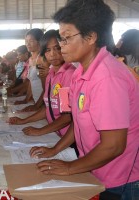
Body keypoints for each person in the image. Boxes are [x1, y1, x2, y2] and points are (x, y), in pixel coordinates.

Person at [30, 1, 139, 199]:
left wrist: (70, 167)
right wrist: (55, 149)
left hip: (120, 179)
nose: (61, 46)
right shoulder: (81, 71)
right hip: (96, 169)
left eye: (66, 38)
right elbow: (78, 122)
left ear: (90, 37)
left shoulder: (107, 78)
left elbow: (114, 145)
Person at [9, 30, 76, 138]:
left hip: (64, 136)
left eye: (57, 48)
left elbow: (67, 116)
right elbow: (48, 108)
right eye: (48, 50)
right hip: (55, 132)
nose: (52, 54)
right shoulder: (51, 74)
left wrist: (40, 131)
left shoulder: (67, 74)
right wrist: (23, 121)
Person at [14, 29, 44, 106]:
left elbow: (47, 87)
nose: (27, 44)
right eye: (26, 41)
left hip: (43, 103)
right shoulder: (30, 60)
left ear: (39, 41)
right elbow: (31, 82)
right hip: (35, 101)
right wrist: (26, 100)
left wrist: (37, 106)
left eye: (31, 41)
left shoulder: (42, 59)